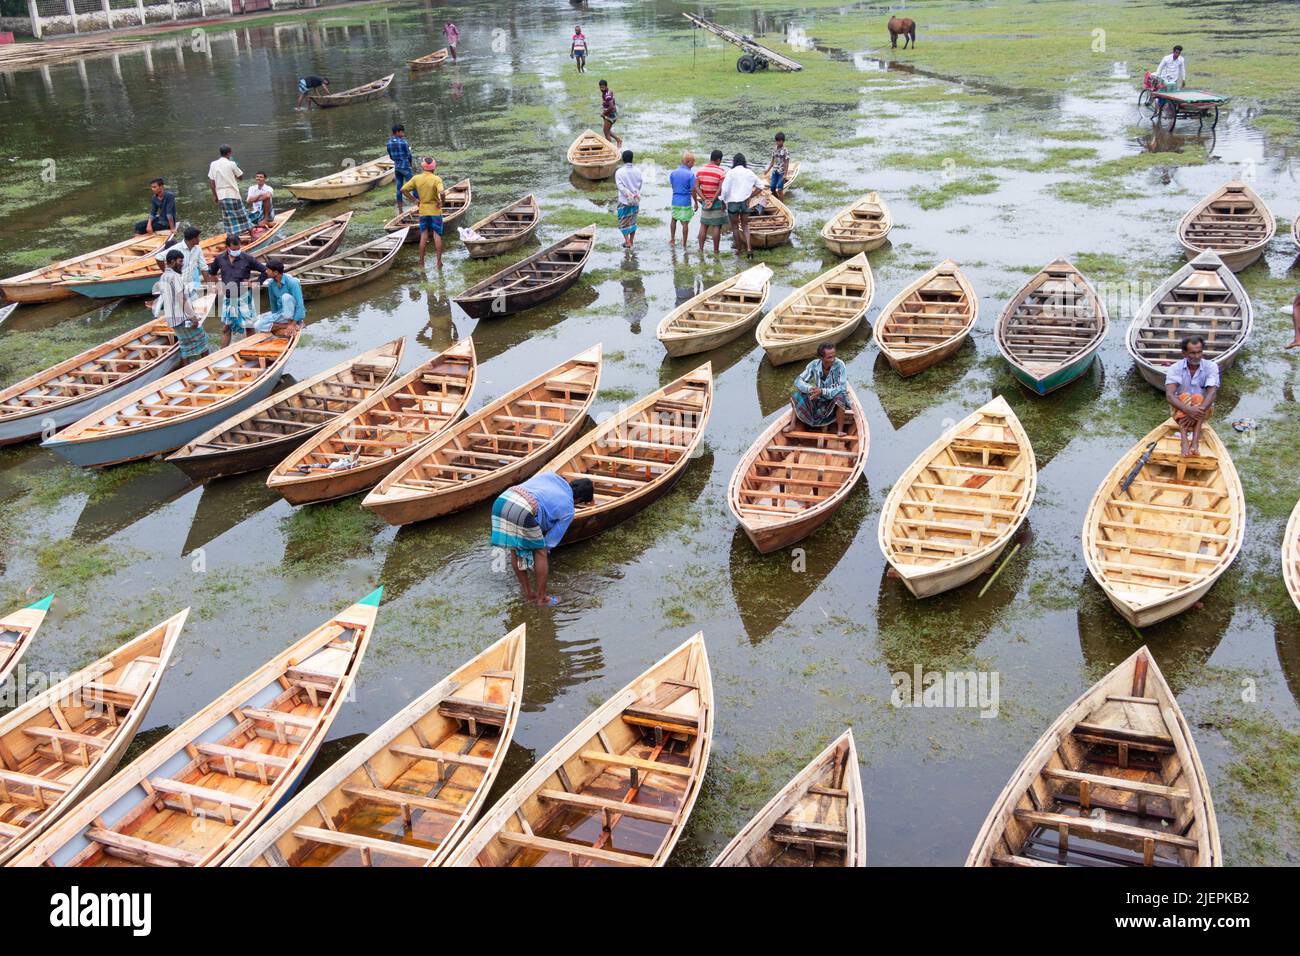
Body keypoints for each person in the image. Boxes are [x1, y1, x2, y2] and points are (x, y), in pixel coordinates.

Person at [490, 472, 595, 606]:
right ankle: (542, 599)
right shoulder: (569, 509)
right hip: (524, 508)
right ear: (578, 500)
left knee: (515, 549)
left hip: (502, 501)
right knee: (541, 551)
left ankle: (528, 594)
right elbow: (549, 542)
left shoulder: (552, 476)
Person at [208, 234, 267, 348]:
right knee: (226, 328)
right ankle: (222, 353)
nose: (237, 251)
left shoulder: (247, 258)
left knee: (249, 327)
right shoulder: (220, 259)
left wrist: (255, 284)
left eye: (238, 248)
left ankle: (252, 350)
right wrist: (218, 285)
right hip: (228, 298)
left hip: (244, 297)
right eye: (234, 249)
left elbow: (265, 271)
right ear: (227, 248)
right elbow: (212, 273)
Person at [1165, 335, 1218, 457]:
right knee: (1184, 396)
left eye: (1199, 352)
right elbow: (1170, 396)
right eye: (1192, 353)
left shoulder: (1211, 366)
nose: (1197, 356)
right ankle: (1184, 440)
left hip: (1204, 409)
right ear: (1184, 353)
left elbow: (1212, 393)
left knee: (1199, 398)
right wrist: (1188, 410)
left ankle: (1194, 442)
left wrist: (1195, 412)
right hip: (1181, 408)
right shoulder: (1175, 368)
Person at [154, 248, 209, 366]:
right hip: (182, 318)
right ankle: (207, 366)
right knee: (203, 340)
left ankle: (185, 371)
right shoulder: (175, 277)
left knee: (184, 346)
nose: (182, 265)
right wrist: (193, 317)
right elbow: (181, 299)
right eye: (180, 262)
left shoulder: (163, 276)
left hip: (172, 319)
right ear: (172, 261)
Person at [786, 343, 849, 436]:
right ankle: (792, 424)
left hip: (832, 400)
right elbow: (798, 381)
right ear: (822, 357)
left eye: (834, 356)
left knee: (840, 397)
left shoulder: (840, 365)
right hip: (818, 399)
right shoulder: (814, 365)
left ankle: (840, 430)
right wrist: (810, 389)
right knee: (798, 394)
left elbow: (842, 388)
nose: (833, 359)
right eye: (829, 357)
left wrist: (822, 391)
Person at [400, 157, 446, 268]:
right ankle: (439, 262)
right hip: (435, 210)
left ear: (422, 167)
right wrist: (442, 203)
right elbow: (442, 192)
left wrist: (414, 200)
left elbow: (403, 190)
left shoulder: (417, 178)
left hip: (423, 210)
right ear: (434, 168)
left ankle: (421, 262)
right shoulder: (436, 179)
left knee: (424, 236)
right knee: (437, 235)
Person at [721, 153, 762, 259]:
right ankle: (749, 249)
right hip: (745, 203)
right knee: (745, 226)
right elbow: (760, 186)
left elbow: (724, 190)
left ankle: (738, 250)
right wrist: (750, 196)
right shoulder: (749, 172)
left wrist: (723, 201)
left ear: (734, 162)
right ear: (744, 162)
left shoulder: (730, 173)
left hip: (733, 203)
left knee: (735, 227)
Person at [253, 260, 306, 337]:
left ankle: (294, 323)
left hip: (294, 314)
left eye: (268, 270)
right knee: (257, 325)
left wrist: (294, 322)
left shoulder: (292, 282)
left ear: (276, 272)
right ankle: (287, 325)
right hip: (282, 313)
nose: (266, 272)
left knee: (286, 297)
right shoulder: (271, 284)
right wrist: (275, 319)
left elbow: (300, 306)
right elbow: (273, 303)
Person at [208, 144, 249, 238]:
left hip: (221, 196)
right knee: (242, 215)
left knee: (228, 219)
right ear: (229, 153)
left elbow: (211, 181)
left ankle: (231, 237)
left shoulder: (213, 164)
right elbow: (240, 177)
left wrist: (215, 195)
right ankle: (251, 234)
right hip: (233, 194)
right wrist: (235, 166)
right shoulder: (231, 163)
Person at [693, 149, 728, 254]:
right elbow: (720, 189)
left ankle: (701, 249)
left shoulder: (700, 171)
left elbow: (696, 187)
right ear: (718, 160)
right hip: (716, 201)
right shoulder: (721, 172)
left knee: (704, 225)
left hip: (705, 202)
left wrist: (704, 199)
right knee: (716, 226)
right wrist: (713, 200)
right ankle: (716, 251)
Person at [614, 149, 643, 249]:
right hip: (635, 200)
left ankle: (627, 242)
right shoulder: (638, 171)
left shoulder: (619, 172)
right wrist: (634, 194)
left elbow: (620, 187)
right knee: (632, 220)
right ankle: (631, 240)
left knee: (623, 221)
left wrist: (628, 194)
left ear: (623, 159)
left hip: (624, 200)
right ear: (632, 159)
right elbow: (639, 185)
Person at [668, 152, 696, 249]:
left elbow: (673, 186)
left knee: (674, 219)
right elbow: (693, 190)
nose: (694, 164)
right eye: (693, 162)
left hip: (675, 200)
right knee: (685, 223)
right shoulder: (691, 175)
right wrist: (696, 202)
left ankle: (672, 239)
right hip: (685, 201)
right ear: (688, 162)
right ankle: (684, 243)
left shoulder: (673, 173)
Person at [387, 124, 415, 215]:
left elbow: (391, 156)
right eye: (402, 131)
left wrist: (397, 161)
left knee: (399, 188)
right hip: (405, 167)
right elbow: (409, 155)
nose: (403, 133)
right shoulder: (403, 143)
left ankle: (400, 209)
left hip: (397, 167)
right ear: (398, 132)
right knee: (414, 186)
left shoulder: (389, 143)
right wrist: (410, 164)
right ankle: (419, 204)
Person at [762, 132, 791, 200]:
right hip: (775, 171)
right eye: (777, 141)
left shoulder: (785, 150)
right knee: (772, 188)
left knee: (780, 189)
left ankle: (781, 204)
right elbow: (772, 162)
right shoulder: (774, 149)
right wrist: (767, 170)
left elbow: (787, 163)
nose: (777, 142)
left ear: (783, 141)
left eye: (779, 141)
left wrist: (785, 174)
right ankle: (777, 199)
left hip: (781, 172)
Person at [598, 79, 621, 147]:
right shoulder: (607, 92)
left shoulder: (607, 95)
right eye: (600, 87)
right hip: (610, 114)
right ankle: (618, 140)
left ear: (606, 86)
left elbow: (611, 106)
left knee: (606, 131)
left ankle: (610, 147)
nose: (602, 89)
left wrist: (603, 113)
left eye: (603, 87)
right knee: (607, 130)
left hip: (610, 115)